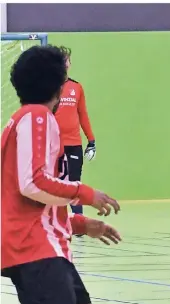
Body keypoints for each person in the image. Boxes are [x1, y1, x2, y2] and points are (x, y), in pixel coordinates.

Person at [1, 45, 122, 304]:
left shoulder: (28, 121)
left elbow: (29, 202)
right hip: (33, 248)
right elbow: (33, 183)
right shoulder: (36, 117)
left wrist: (78, 223)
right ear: (59, 84)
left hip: (49, 244)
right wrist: (86, 193)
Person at [54, 46, 96, 216]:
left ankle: (79, 220)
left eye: (67, 60)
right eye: (62, 59)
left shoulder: (76, 87)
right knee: (54, 184)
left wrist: (91, 141)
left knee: (74, 182)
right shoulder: (48, 87)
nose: (66, 62)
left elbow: (83, 115)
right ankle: (54, 220)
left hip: (74, 144)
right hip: (54, 145)